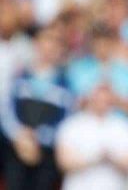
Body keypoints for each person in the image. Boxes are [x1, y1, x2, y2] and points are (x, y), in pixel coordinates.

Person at [1, 25, 74, 190]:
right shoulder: (20, 78)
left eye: (55, 44)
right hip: (17, 149)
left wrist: (39, 138)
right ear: (36, 44)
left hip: (45, 155)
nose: (49, 48)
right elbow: (6, 112)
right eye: (45, 41)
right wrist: (19, 135)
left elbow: (66, 121)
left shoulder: (65, 86)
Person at [55, 84, 128, 190]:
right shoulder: (72, 124)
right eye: (98, 98)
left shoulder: (126, 126)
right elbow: (63, 162)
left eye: (106, 99)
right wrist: (95, 157)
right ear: (91, 98)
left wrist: (109, 157)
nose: (102, 102)